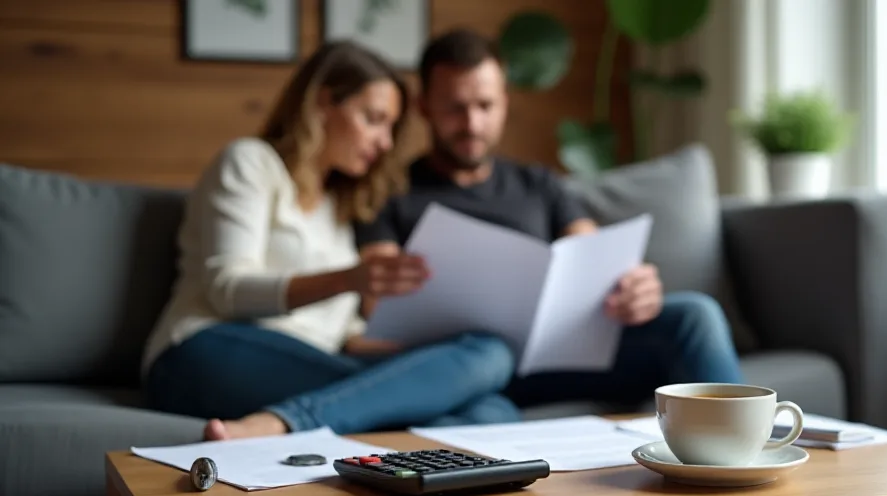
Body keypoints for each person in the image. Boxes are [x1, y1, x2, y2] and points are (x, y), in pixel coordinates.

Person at [141, 41, 521, 441]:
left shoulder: (340, 207)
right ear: (323, 104)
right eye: (373, 119)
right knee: (479, 388)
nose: (386, 142)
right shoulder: (251, 162)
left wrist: (425, 355)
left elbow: (341, 335)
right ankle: (289, 422)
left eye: (391, 126)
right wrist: (348, 279)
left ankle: (314, 428)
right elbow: (227, 290)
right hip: (206, 349)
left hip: (313, 360)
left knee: (491, 380)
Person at [354, 29, 745, 411]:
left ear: (504, 103)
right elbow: (378, 308)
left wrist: (635, 288)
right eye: (455, 108)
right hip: (467, 367)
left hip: (559, 359)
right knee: (482, 384)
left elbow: (600, 261)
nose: (472, 124)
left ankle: (741, 452)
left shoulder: (538, 184)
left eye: (485, 106)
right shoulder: (391, 194)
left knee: (695, 314)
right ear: (424, 108)